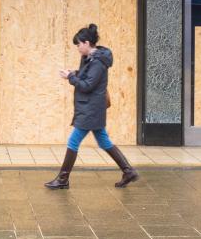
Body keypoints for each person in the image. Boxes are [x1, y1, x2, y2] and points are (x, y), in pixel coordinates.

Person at [45, 23, 139, 190]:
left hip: (91, 109)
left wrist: (71, 78)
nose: (78, 48)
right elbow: (85, 77)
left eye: (79, 45)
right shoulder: (89, 58)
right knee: (103, 140)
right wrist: (72, 74)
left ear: (87, 43)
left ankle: (62, 179)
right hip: (90, 108)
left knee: (73, 141)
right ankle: (128, 171)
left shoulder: (98, 62)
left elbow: (88, 85)